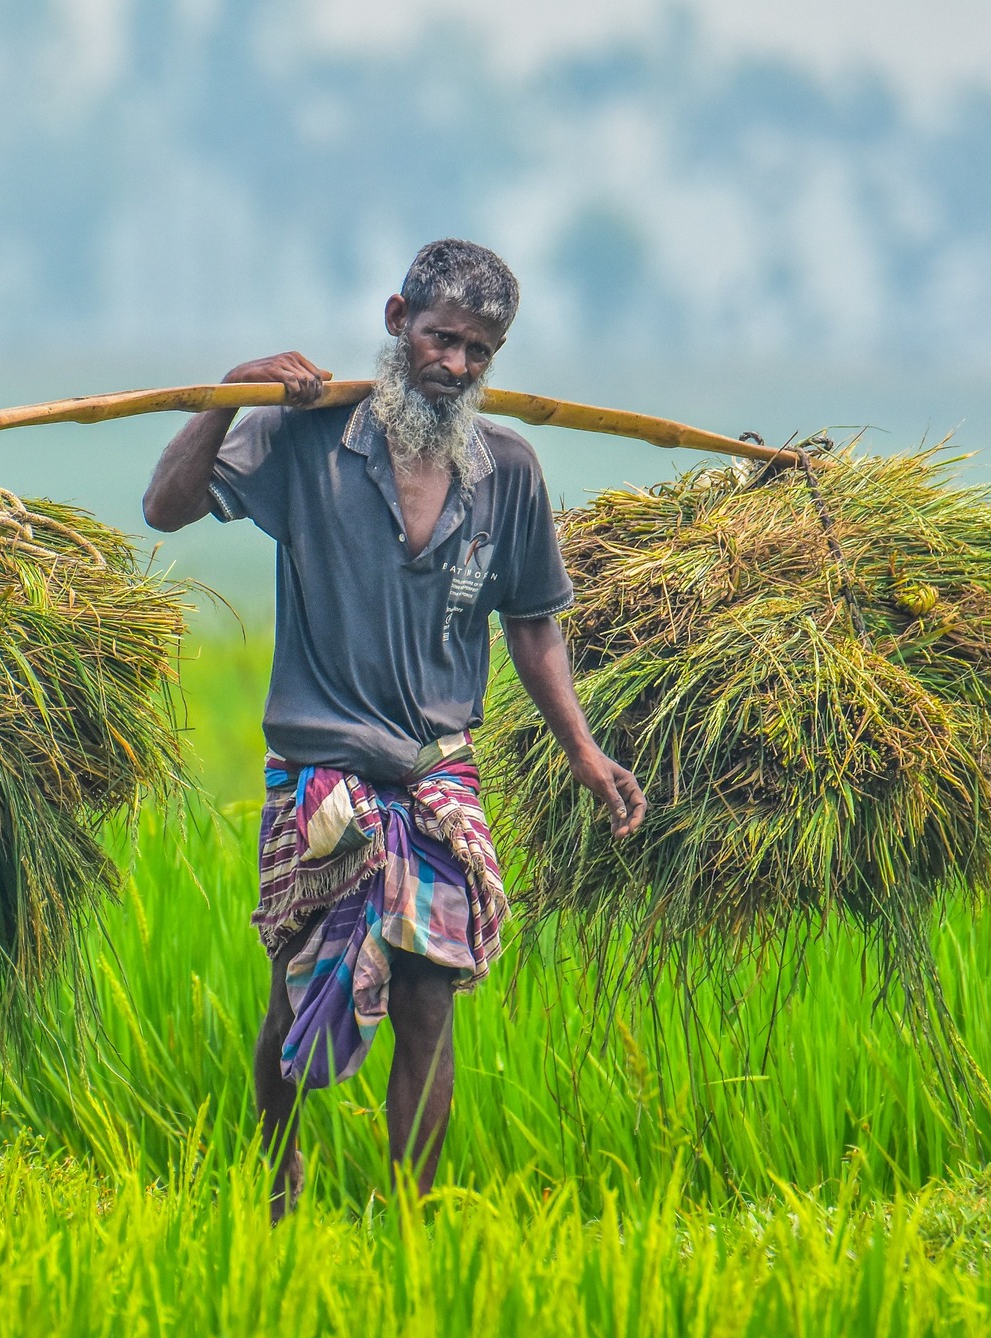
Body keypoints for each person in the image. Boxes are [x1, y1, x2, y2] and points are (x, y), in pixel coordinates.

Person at [142, 239, 646, 1220]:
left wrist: (582, 750)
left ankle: (406, 1219)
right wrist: (227, 394)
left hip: (433, 776)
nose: (453, 366)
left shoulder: (505, 470)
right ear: (393, 322)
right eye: (438, 338)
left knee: (426, 1001)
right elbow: (164, 509)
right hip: (319, 772)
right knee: (298, 989)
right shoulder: (307, 442)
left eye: (476, 351)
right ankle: (278, 1178)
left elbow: (531, 620)